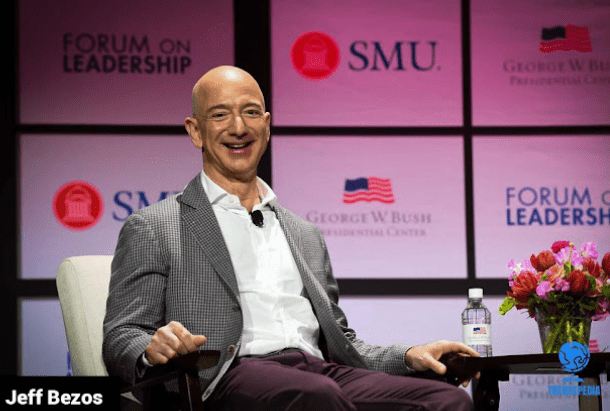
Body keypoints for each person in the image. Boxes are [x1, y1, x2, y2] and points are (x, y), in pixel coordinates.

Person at [103, 65, 477, 411]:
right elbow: (121, 335)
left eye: (251, 113)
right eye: (220, 115)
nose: (238, 127)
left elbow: (343, 342)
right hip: (226, 377)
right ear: (195, 130)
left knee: (446, 401)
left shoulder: (304, 233)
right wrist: (152, 348)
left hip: (320, 371)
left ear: (266, 125)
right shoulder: (155, 226)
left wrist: (409, 355)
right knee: (316, 396)